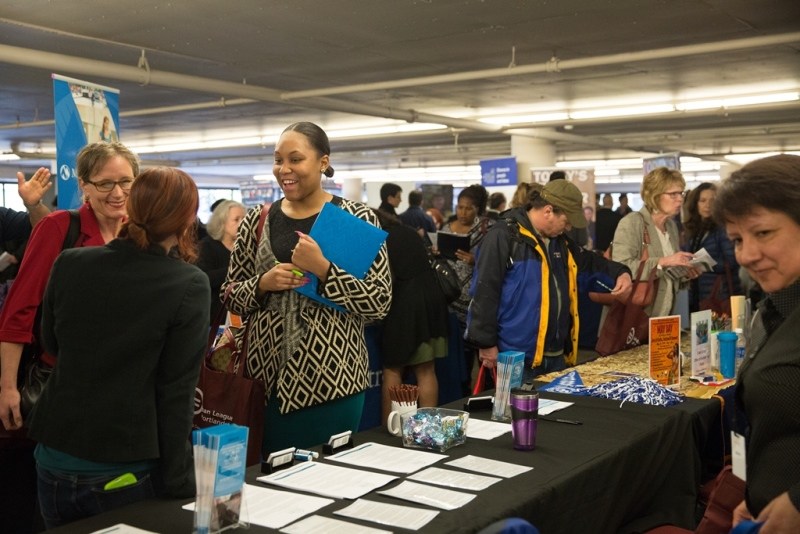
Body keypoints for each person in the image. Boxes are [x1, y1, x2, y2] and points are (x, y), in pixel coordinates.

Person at [28, 167, 209, 529]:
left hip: (53, 457)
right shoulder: (188, 284)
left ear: (132, 205)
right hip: (123, 468)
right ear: (188, 219)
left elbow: (50, 342)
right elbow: (176, 392)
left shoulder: (71, 262)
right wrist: (180, 482)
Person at [222, 122, 391, 455]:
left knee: (332, 481)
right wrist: (262, 284)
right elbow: (229, 293)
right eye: (278, 160)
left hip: (335, 383)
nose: (284, 169)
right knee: (270, 485)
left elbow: (379, 301)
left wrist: (325, 270)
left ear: (323, 162)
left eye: (295, 159)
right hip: (264, 384)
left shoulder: (356, 218)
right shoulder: (259, 219)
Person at [0, 141, 139, 534]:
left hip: (120, 392)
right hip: (59, 386)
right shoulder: (58, 228)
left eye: (126, 182)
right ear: (85, 186)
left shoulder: (140, 235)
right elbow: (18, 311)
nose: (117, 193)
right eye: (106, 183)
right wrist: (6, 386)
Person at [713, 155, 800, 533]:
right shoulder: (775, 308)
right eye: (737, 240)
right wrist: (757, 497)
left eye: (763, 233)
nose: (746, 255)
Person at [467, 180, 632, 378]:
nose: (569, 227)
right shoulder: (503, 237)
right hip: (516, 356)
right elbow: (484, 291)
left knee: (556, 409)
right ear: (548, 211)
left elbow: (588, 262)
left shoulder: (559, 242)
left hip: (556, 355)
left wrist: (620, 272)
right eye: (567, 220)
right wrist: (486, 343)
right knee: (517, 409)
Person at [372, 209, 448, 421]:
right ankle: (428, 425)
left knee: (392, 369)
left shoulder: (377, 239)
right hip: (432, 302)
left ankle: (390, 429)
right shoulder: (407, 231)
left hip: (404, 307)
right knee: (426, 370)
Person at [609, 167, 699, 319]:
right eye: (673, 194)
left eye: (681, 193)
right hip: (634, 317)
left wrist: (685, 273)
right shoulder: (632, 222)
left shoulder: (671, 226)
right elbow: (620, 268)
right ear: (655, 196)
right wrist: (664, 261)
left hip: (663, 317)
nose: (680, 199)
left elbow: (667, 276)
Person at [440, 184, 490, 393]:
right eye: (460, 207)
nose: (463, 212)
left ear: (477, 209)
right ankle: (457, 389)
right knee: (454, 353)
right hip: (448, 298)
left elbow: (494, 262)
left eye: (468, 208)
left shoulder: (486, 231)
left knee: (472, 351)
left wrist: (475, 260)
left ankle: (477, 391)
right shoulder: (446, 228)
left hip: (473, 301)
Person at [683, 182, 741, 313]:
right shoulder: (694, 230)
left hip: (720, 293)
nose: (707, 205)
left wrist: (702, 263)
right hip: (698, 292)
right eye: (702, 201)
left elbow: (732, 261)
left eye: (712, 200)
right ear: (695, 204)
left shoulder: (723, 228)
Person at [197, 199, 247, 322]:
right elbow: (204, 279)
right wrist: (235, 268)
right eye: (236, 220)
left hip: (243, 315)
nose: (242, 224)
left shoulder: (248, 247)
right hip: (216, 317)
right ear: (222, 222)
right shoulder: (206, 246)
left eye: (244, 219)